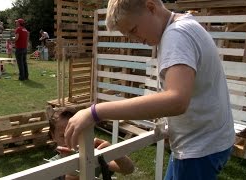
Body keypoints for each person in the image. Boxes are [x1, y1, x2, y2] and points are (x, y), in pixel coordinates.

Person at [64, 0, 235, 180]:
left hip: (199, 148)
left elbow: (176, 100)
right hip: (209, 140)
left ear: (151, 7)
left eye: (133, 29)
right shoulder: (186, 25)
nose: (134, 38)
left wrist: (96, 112)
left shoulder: (176, 36)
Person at [48, 107, 134, 180]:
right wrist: (70, 166)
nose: (70, 140)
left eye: (76, 133)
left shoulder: (91, 155)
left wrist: (112, 152)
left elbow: (128, 169)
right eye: (63, 136)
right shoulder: (50, 165)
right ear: (53, 136)